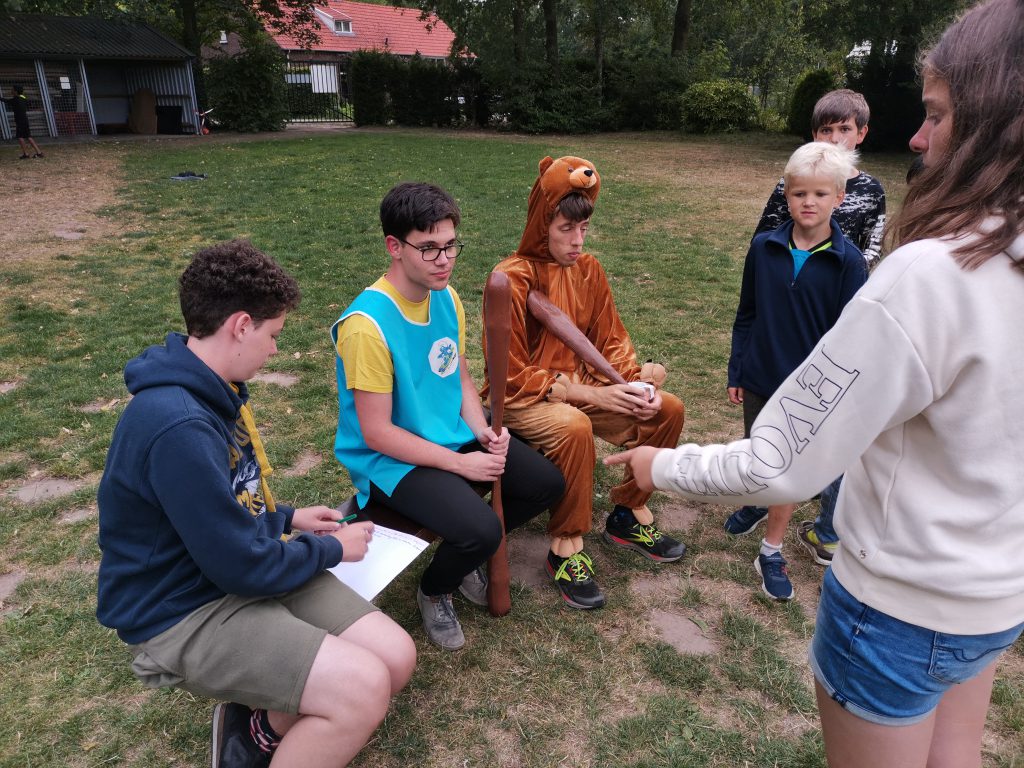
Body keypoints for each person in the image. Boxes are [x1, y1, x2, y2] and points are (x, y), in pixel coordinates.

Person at [608, 0, 1024, 762]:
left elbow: (782, 460)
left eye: (935, 115)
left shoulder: (928, 278)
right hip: (997, 604)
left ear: (998, 123)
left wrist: (657, 465)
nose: (916, 138)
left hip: (898, 613)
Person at [96, 240, 415, 768]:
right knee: (362, 689)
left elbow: (217, 511)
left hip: (230, 568)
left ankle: (256, 731)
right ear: (241, 326)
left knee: (396, 657)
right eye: (273, 335)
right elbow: (239, 563)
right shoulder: (178, 424)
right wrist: (333, 550)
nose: (274, 350)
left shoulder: (211, 387)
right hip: (183, 607)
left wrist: (285, 517)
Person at [332, 182, 564, 650]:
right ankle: (436, 588)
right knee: (481, 529)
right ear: (394, 247)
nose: (444, 260)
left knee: (545, 484)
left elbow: (457, 377)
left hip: (451, 435)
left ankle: (464, 555)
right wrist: (462, 464)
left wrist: (483, 431)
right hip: (391, 462)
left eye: (451, 245)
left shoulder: (446, 297)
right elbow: (376, 433)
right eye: (429, 248)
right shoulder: (366, 327)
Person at [482, 155, 686, 611]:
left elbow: (610, 339)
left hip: (587, 384)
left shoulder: (589, 270)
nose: (577, 241)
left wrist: (633, 383)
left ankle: (627, 513)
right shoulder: (511, 278)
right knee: (574, 426)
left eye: (584, 229)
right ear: (542, 226)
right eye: (565, 230)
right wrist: (590, 393)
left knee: (667, 408)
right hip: (525, 395)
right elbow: (508, 374)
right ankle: (565, 548)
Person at [729, 89, 886, 565]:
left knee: (801, 457)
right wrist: (738, 367)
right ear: (787, 194)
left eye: (820, 194)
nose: (808, 202)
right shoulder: (764, 250)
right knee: (759, 446)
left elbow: (849, 333)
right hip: (762, 371)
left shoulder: (850, 263)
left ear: (839, 197)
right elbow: (747, 312)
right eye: (799, 194)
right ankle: (757, 499)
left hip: (811, 376)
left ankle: (786, 539)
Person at [1, 85, 43, 159]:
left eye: (12, 90)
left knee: (20, 137)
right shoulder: (23, 98)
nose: (11, 91)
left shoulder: (16, 99)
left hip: (20, 121)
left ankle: (26, 154)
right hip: (25, 120)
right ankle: (39, 153)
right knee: (28, 136)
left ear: (16, 91)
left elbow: (6, 101)